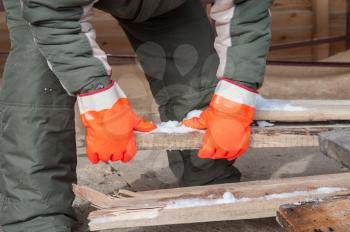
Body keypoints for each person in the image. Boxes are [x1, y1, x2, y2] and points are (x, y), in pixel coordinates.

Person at [0, 0, 272, 231]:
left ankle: (208, 177)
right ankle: (35, 214)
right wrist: (99, 101)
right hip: (51, 7)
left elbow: (247, 9)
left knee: (198, 77)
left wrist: (235, 99)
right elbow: (53, 15)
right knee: (38, 76)